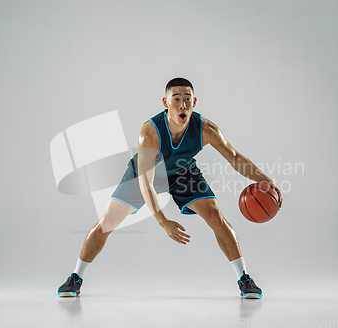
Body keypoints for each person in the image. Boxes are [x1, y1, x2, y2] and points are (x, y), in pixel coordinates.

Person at [57, 77, 282, 298]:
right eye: (176, 99)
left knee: (215, 215)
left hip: (183, 172)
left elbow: (234, 158)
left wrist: (266, 181)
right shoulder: (150, 131)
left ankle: (243, 278)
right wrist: (163, 221)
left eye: (187, 99)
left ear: (194, 102)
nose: (182, 104)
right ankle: (76, 277)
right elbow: (146, 183)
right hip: (144, 175)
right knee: (106, 222)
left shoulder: (206, 128)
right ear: (165, 103)